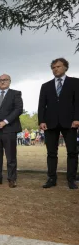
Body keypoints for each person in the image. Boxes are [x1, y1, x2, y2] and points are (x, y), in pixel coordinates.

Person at [38, 58, 79, 189]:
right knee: (51, 153)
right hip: (50, 123)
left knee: (72, 152)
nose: (56, 69)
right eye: (53, 67)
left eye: (58, 66)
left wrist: (77, 118)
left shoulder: (75, 82)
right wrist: (41, 121)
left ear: (65, 67)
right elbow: (41, 105)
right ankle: (51, 178)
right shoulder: (46, 86)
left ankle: (71, 179)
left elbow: (78, 102)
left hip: (70, 123)